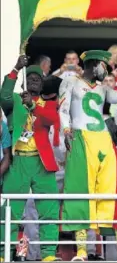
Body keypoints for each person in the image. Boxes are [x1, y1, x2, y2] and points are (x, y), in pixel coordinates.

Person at [58, 50, 117, 261]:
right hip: (80, 136)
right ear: (93, 64)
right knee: (80, 190)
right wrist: (66, 131)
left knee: (106, 191)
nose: (105, 70)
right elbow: (63, 109)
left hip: (103, 139)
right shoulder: (70, 82)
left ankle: (108, 250)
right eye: (103, 65)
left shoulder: (104, 87)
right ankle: (81, 251)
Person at [0, 56, 61, 262]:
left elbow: (52, 120)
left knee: (49, 210)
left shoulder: (49, 104)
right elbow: (4, 95)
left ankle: (49, 255)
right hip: (18, 163)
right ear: (25, 81)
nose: (34, 80)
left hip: (41, 163)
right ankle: (3, 254)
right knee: (10, 211)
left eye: (38, 78)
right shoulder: (16, 100)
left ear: (42, 83)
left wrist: (33, 106)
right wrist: (16, 68)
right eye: (31, 77)